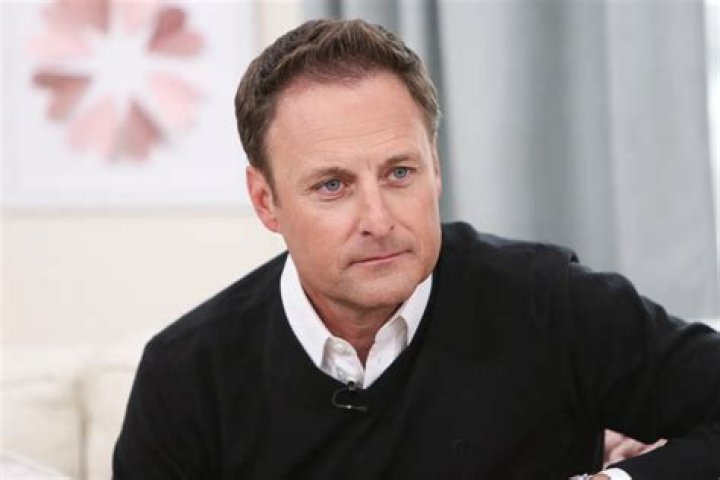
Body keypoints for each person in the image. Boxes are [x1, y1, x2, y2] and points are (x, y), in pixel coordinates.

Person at [113, 18, 720, 479]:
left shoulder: (551, 301)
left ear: (436, 168)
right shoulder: (185, 377)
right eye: (333, 186)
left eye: (399, 173)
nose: (378, 220)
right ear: (266, 201)